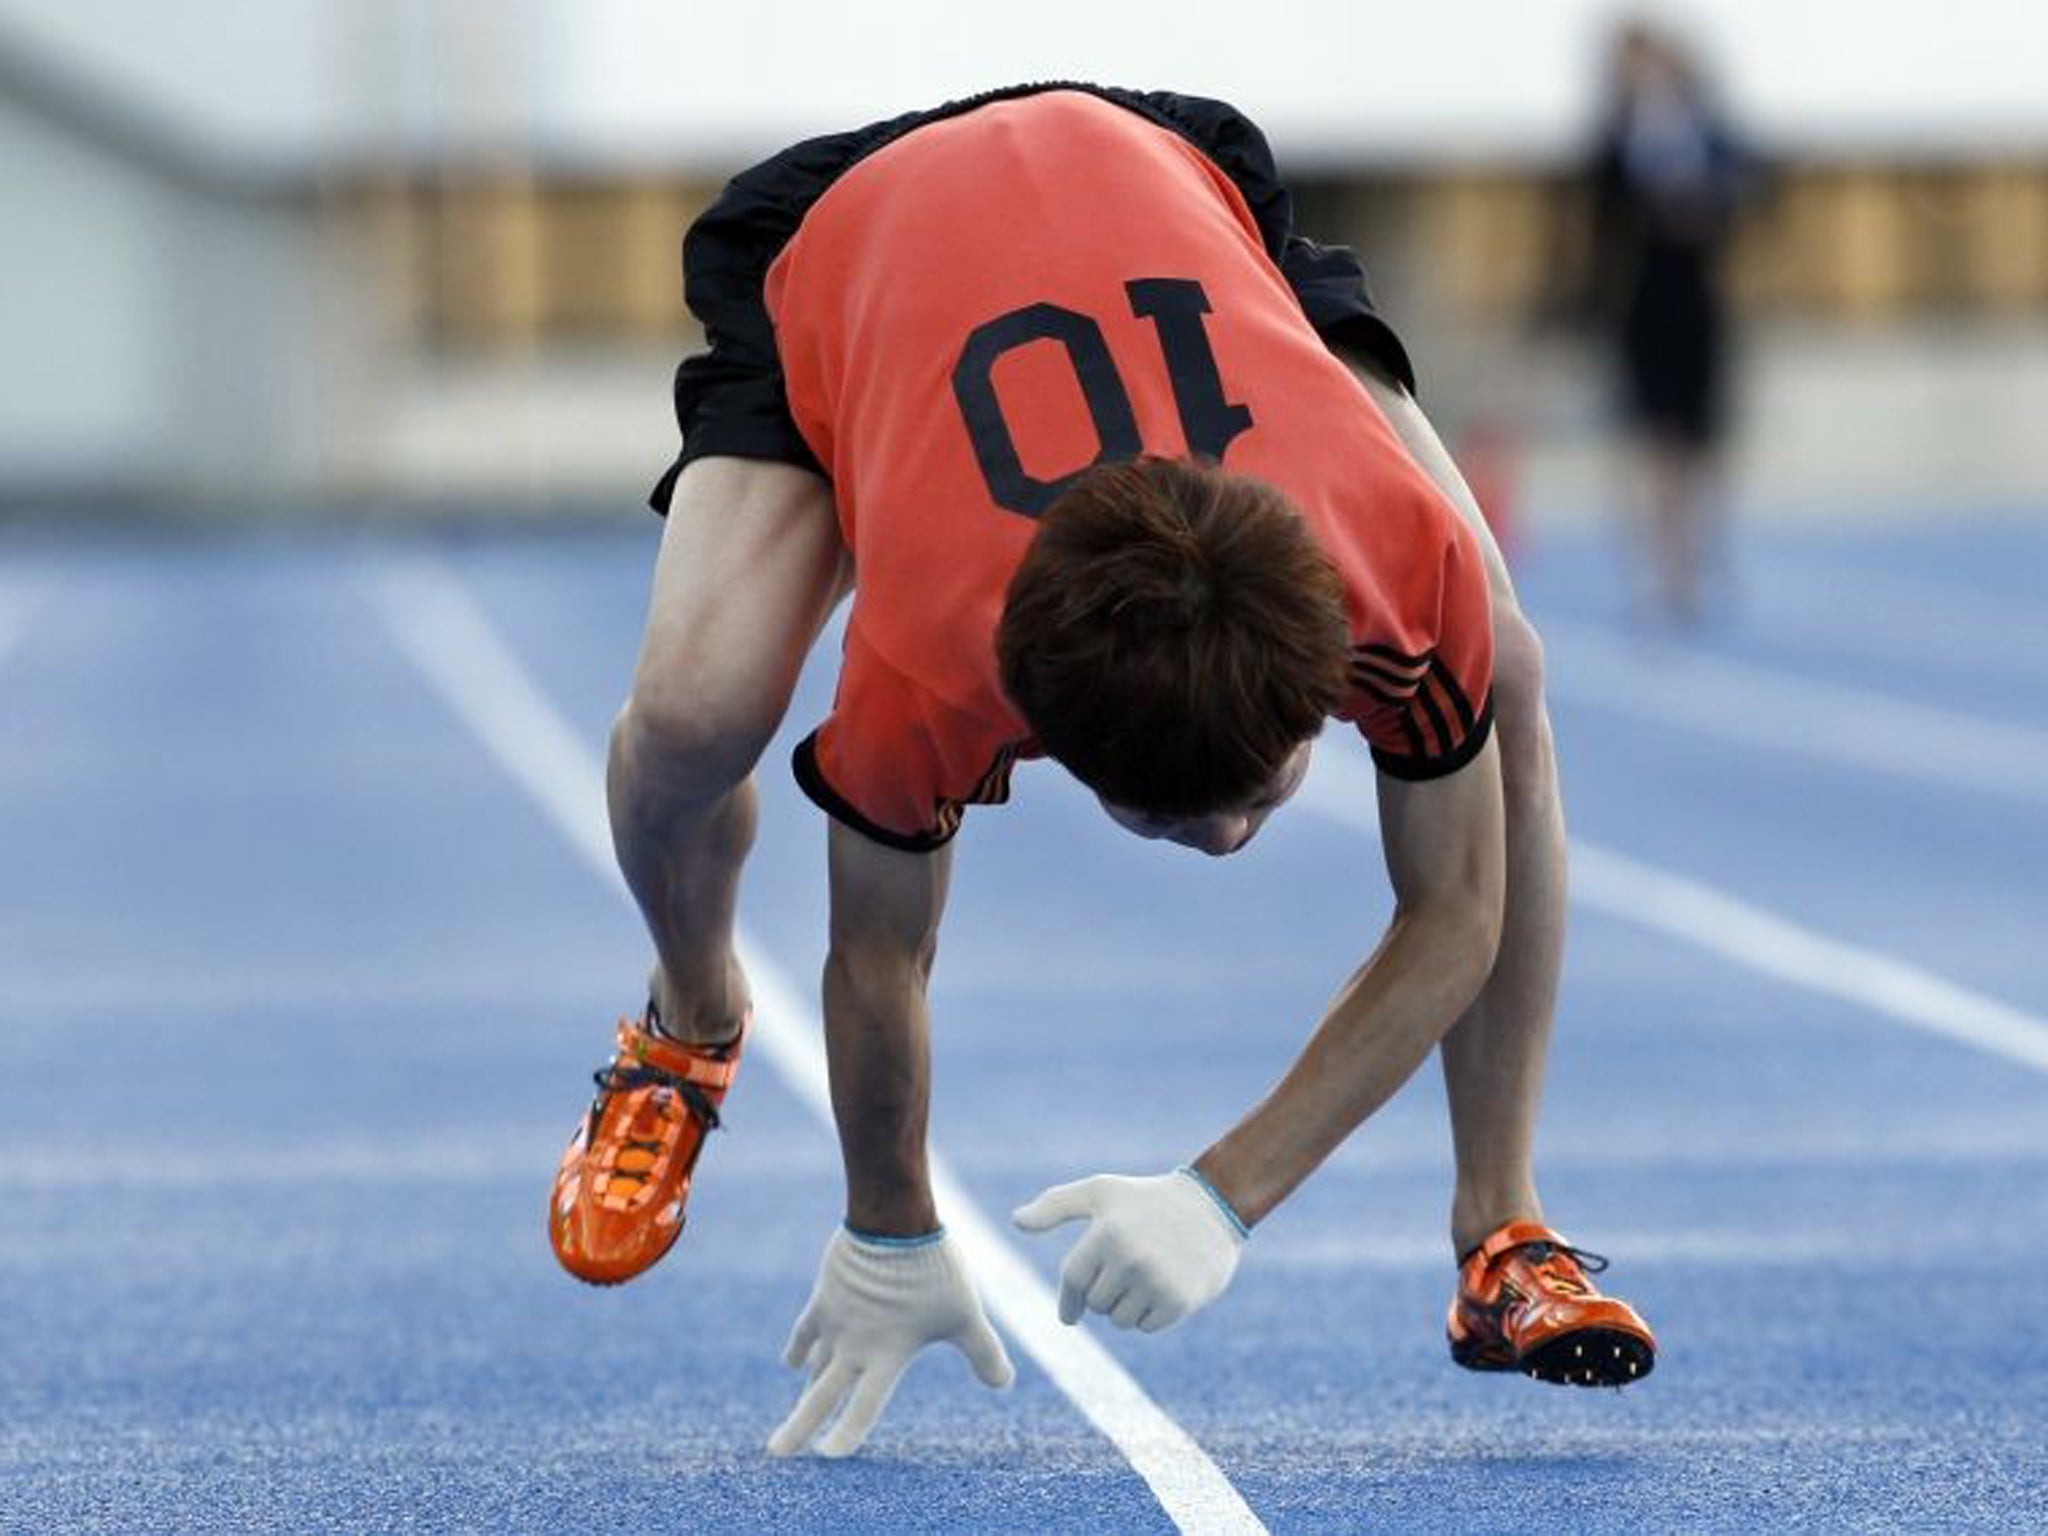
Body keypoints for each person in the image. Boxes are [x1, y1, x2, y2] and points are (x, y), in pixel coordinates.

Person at [543, 82, 1657, 1459]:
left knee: (1513, 675)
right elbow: (877, 957)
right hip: (841, 236)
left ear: (1324, 676)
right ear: (1043, 740)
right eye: (1189, 822)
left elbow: (1459, 914)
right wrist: (888, 1229)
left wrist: (1225, 1193)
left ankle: (1503, 1234)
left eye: (1267, 783)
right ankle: (688, 1021)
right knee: (688, 723)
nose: (1241, 833)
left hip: (1165, 177)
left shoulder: (1397, 559)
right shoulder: (931, 665)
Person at [1587, 21, 1753, 624]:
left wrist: (1702, 205)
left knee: (1705, 439)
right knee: (1654, 441)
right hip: (1642, 306)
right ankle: (1659, 566)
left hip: (1700, 305)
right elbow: (1598, 225)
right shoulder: (1617, 142)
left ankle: (1700, 556)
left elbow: (1746, 193)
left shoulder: (1708, 135)